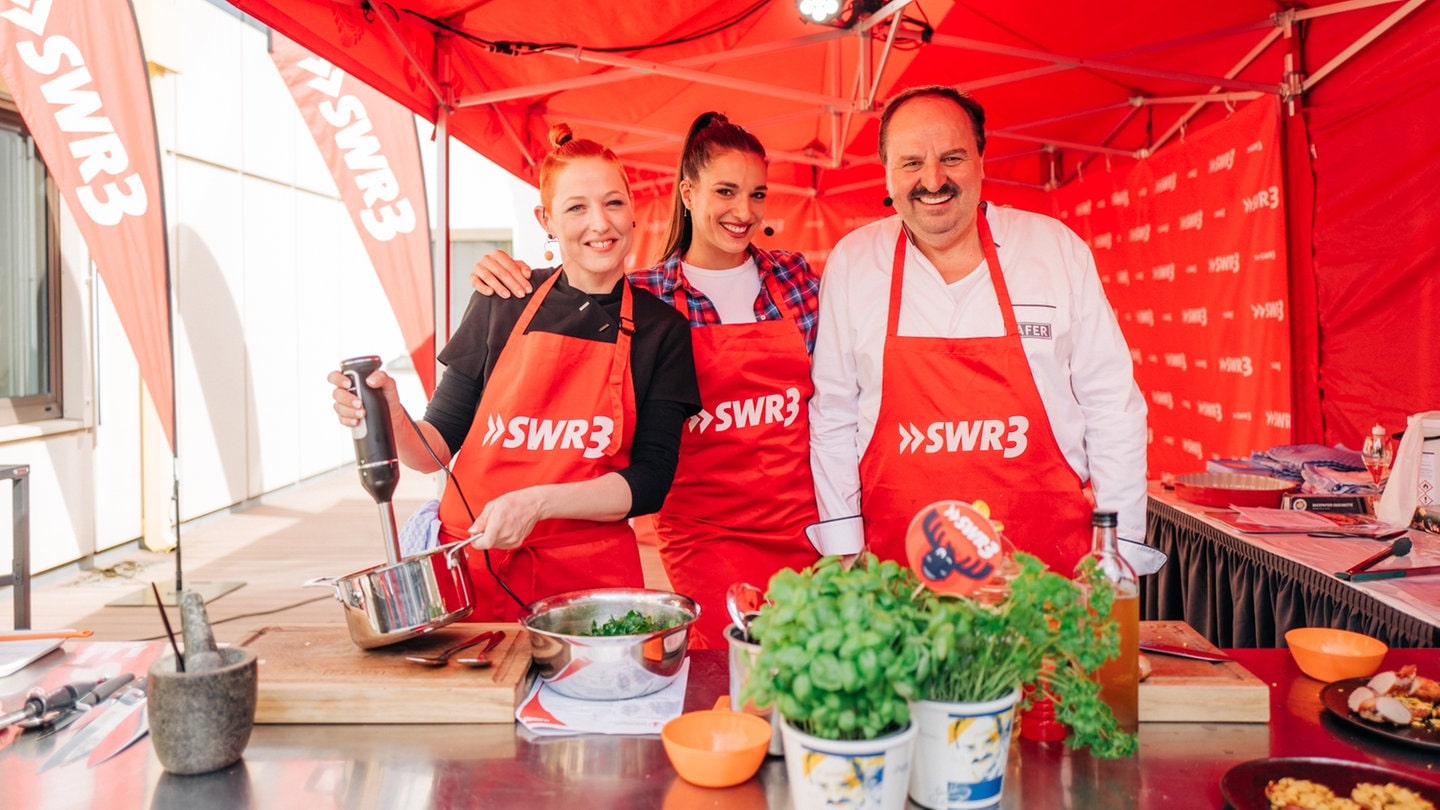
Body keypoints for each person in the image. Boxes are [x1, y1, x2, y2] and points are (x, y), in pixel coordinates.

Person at [470, 112, 822, 648]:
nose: (743, 211)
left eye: (757, 195)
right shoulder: (645, 299)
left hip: (805, 525)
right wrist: (502, 275)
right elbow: (569, 297)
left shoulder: (794, 278)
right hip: (704, 534)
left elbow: (840, 398)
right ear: (687, 191)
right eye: (725, 191)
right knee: (727, 669)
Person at [329, 125, 701, 622]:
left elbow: (651, 482)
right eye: (576, 208)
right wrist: (393, 416)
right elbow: (434, 450)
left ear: (634, 210)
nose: (600, 223)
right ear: (545, 219)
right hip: (474, 572)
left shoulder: (662, 330)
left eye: (613, 203)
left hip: (586, 587)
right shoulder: (503, 299)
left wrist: (537, 504)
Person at [809, 85, 1162, 577]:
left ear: (980, 160)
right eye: (911, 163)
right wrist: (844, 547)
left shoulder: (1055, 250)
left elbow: (1111, 406)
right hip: (895, 574)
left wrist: (1116, 552)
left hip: (1047, 572)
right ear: (886, 172)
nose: (932, 179)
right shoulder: (853, 262)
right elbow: (834, 414)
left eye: (951, 157)